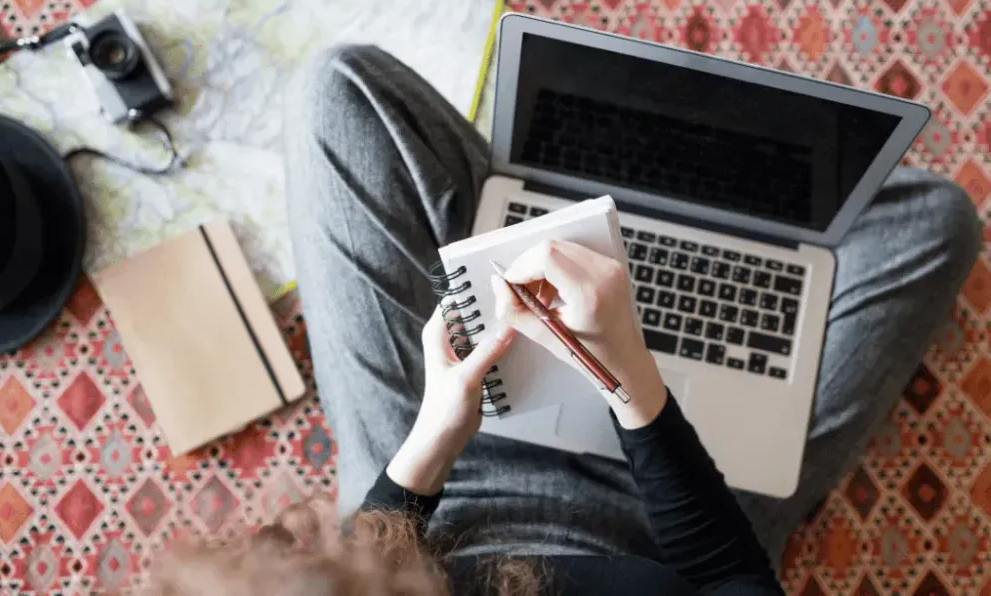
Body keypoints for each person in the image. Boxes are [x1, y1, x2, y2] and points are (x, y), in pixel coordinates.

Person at [141, 45, 981, 595]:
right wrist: (630, 380)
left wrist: (432, 439)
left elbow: (360, 559)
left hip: (442, 493)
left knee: (338, 88)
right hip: (668, 531)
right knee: (931, 224)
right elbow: (729, 573)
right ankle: (587, 201)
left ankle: (545, 204)